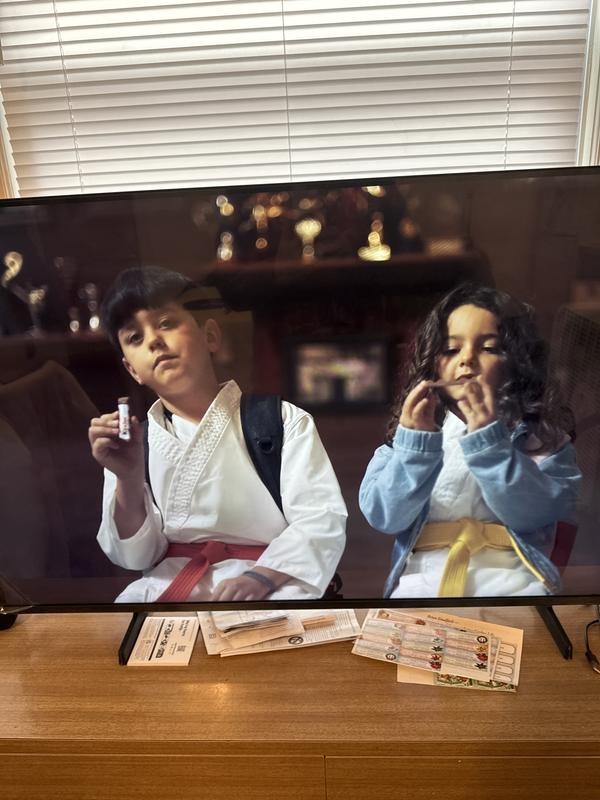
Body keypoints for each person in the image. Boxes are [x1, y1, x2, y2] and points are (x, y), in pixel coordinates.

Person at [88, 266, 347, 603]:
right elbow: (135, 557)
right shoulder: (131, 445)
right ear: (132, 369)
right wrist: (128, 477)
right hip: (170, 584)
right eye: (135, 338)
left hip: (274, 581)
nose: (153, 340)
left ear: (210, 336)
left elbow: (321, 519)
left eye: (165, 323)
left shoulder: (280, 421)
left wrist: (261, 578)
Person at [359, 283, 581, 599]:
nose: (467, 359)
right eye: (451, 349)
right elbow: (385, 516)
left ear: (518, 360)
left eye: (488, 348)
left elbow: (535, 513)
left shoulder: (546, 442)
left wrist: (488, 442)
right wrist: (414, 445)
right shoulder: (405, 439)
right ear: (433, 362)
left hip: (514, 589)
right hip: (419, 588)